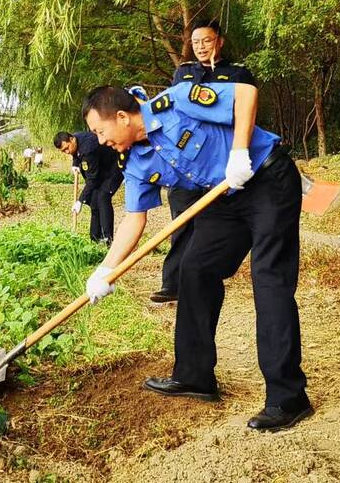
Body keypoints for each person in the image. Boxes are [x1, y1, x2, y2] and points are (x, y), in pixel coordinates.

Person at [81, 82, 312, 432]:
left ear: (123, 117)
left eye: (100, 131)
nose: (99, 141)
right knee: (194, 270)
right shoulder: (134, 160)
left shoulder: (176, 103)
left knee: (269, 280)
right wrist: (106, 270)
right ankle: (194, 376)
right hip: (222, 197)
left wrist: (238, 152)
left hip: (265, 177)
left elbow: (246, 94)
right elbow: (134, 218)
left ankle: (288, 397)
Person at [153, 19, 258, 304]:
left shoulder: (237, 73)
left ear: (219, 41)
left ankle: (205, 276)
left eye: (207, 41)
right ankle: (172, 283)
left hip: (222, 161)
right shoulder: (183, 73)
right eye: (196, 42)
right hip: (188, 162)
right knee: (182, 223)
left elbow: (244, 114)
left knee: (217, 223)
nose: (201, 47)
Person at [54, 130, 123, 244]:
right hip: (101, 170)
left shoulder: (89, 149)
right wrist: (75, 163)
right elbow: (75, 152)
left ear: (71, 139)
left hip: (113, 169)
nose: (67, 152)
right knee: (94, 202)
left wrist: (80, 201)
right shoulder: (76, 139)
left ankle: (107, 239)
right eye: (63, 151)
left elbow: (92, 180)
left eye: (67, 148)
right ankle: (95, 238)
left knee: (102, 197)